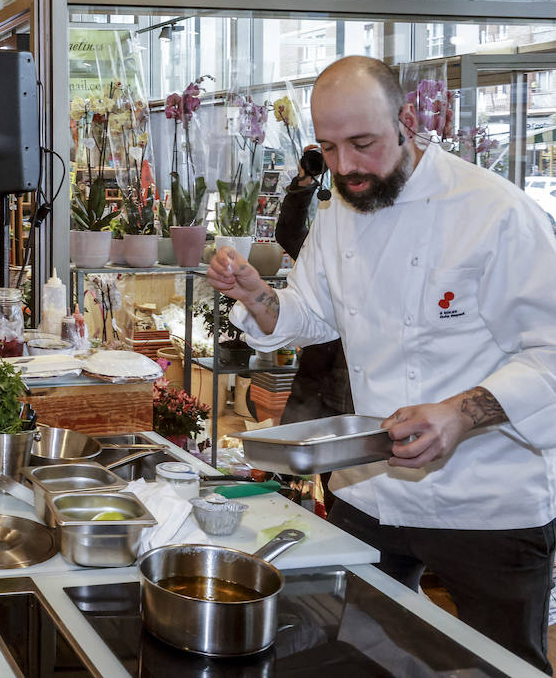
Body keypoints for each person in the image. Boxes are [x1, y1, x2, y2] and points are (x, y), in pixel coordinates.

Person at [207, 55, 556, 672]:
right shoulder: (340, 213)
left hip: (487, 498)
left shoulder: (496, 214)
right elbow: (307, 314)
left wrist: (459, 414)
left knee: (502, 666)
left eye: (362, 144)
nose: (345, 168)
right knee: (343, 648)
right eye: (330, 148)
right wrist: (253, 294)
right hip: (371, 487)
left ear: (409, 120)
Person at [275, 147, 352, 429]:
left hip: (353, 372)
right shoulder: (324, 251)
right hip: (318, 361)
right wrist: (305, 181)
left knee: (344, 452)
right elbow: (289, 233)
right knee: (303, 440)